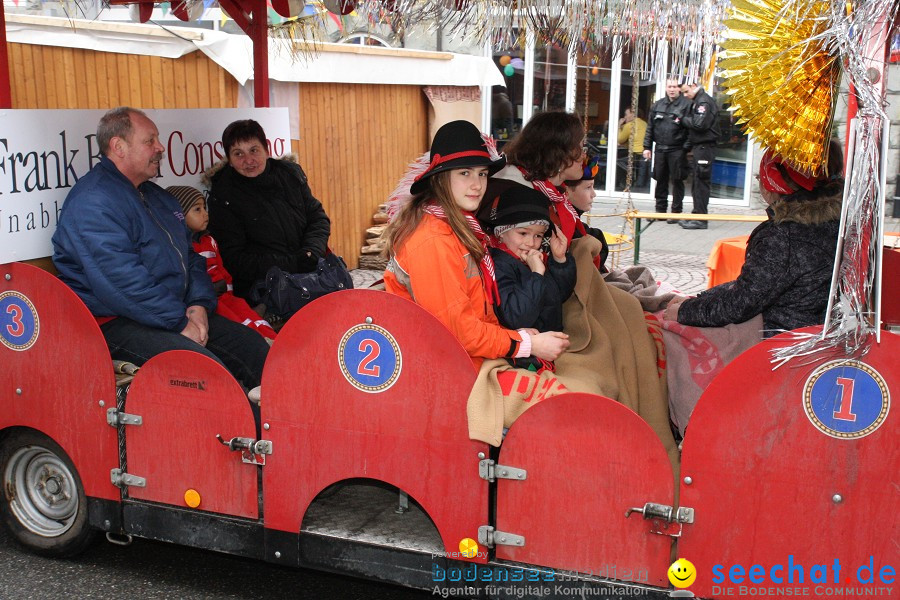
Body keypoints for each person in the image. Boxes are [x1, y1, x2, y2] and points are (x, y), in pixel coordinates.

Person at [51, 107, 269, 389]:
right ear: (118, 147)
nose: (159, 147)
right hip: (115, 322)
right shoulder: (93, 202)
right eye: (149, 140)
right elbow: (121, 284)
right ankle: (248, 431)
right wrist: (179, 322)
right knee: (204, 371)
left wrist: (199, 304)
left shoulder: (157, 196)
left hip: (171, 312)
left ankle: (289, 426)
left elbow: (191, 257)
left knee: (252, 347)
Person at [383, 120, 571, 371]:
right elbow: (459, 333)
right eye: (465, 173)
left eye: (482, 173)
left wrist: (513, 335)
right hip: (443, 369)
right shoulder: (433, 240)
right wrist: (526, 344)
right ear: (440, 178)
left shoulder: (456, 228)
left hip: (465, 358)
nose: (477, 184)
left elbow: (475, 314)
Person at [665, 140, 844, 334]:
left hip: (782, 341)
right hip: (820, 329)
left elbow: (740, 304)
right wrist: (701, 299)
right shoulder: (839, 219)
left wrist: (685, 311)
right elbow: (754, 287)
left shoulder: (783, 237)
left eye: (760, 178)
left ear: (771, 186)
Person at [205, 119, 331, 303]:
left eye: (254, 150)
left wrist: (312, 251)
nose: (248, 160)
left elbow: (317, 217)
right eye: (238, 153)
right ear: (230, 161)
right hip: (263, 290)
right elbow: (234, 258)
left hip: (311, 274)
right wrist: (293, 263)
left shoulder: (289, 174)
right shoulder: (224, 195)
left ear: (266, 149)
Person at [481, 185, 576, 370]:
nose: (531, 243)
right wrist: (536, 274)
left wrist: (560, 260)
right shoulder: (499, 265)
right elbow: (517, 317)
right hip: (525, 356)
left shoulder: (530, 260)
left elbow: (560, 294)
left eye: (538, 235)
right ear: (501, 232)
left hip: (549, 344)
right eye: (523, 233)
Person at [167, 185, 277, 342]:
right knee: (240, 325)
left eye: (204, 207)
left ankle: (275, 341)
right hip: (210, 303)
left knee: (251, 315)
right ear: (179, 215)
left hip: (226, 297)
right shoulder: (181, 247)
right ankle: (261, 345)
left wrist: (229, 293)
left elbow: (223, 272)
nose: (205, 214)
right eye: (197, 210)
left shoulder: (209, 241)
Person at [487, 111, 588, 246]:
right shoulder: (516, 192)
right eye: (580, 148)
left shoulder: (549, 190)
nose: (584, 156)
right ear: (558, 152)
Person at [643, 79, 691, 221]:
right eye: (669, 86)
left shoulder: (686, 105)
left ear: (679, 89)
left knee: (677, 180)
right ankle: (660, 211)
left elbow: (691, 130)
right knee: (660, 179)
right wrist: (647, 147)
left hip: (677, 149)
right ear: (665, 87)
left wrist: (685, 148)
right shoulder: (658, 104)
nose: (672, 89)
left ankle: (676, 212)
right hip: (660, 149)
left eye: (675, 87)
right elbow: (650, 127)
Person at [678, 82, 721, 229]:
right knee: (697, 182)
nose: (685, 95)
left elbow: (699, 125)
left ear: (693, 85)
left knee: (701, 182)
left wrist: (682, 119)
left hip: (705, 147)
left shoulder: (703, 101)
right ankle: (697, 214)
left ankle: (701, 219)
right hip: (700, 147)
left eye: (685, 91)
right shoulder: (698, 100)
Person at [563, 155, 610, 270]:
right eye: (588, 187)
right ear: (567, 191)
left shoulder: (572, 219)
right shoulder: (566, 224)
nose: (594, 194)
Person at [616, 107, 649, 189]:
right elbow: (636, 139)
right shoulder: (644, 123)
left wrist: (619, 126)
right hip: (645, 153)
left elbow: (620, 139)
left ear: (632, 114)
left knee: (617, 161)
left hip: (635, 154)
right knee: (642, 172)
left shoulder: (629, 125)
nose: (625, 117)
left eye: (626, 114)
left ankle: (622, 183)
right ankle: (639, 187)